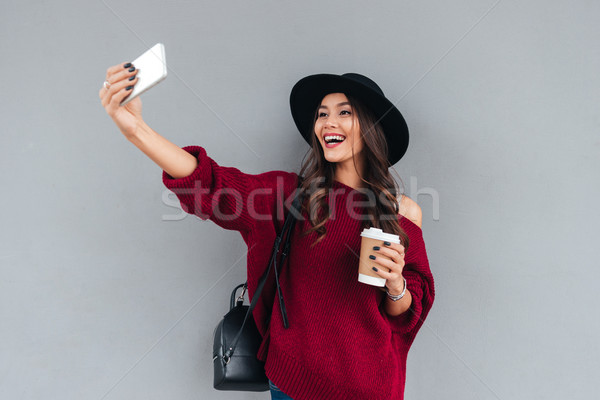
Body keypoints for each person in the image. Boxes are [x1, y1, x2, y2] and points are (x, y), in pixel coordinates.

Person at [100, 65, 435, 400]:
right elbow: (213, 184)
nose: (328, 122)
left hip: (370, 390)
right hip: (294, 385)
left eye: (344, 112)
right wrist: (137, 131)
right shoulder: (288, 196)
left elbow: (408, 313)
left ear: (372, 126)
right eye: (322, 114)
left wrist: (395, 285)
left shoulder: (402, 211)